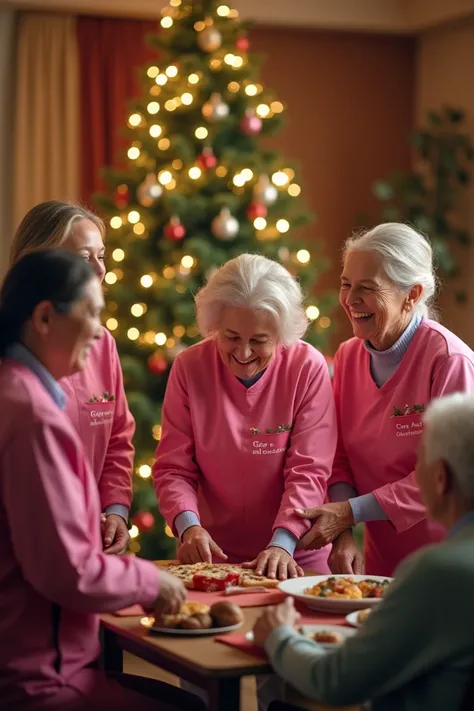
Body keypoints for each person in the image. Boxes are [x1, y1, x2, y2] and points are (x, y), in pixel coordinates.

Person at [0, 250, 204, 711]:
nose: (98, 329)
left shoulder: (13, 390)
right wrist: (149, 581)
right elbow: (67, 571)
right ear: (45, 318)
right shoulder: (32, 417)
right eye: (90, 313)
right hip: (37, 679)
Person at [254, 393, 474, 711]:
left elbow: (335, 682)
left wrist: (278, 636)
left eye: (418, 461)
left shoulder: (438, 572)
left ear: (440, 478)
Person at [297, 223, 474, 576]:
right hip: (381, 562)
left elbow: (450, 475)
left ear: (412, 294)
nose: (349, 300)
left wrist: (350, 512)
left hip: (450, 563)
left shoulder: (449, 361)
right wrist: (344, 533)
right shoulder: (348, 356)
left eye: (367, 288)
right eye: (346, 284)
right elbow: (340, 456)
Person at [153, 253, 337, 580]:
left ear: (281, 335)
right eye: (232, 337)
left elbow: (308, 470)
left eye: (259, 341)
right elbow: (173, 467)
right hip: (212, 555)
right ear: (214, 325)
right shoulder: (189, 367)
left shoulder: (307, 367)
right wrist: (189, 528)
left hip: (296, 555)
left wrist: (282, 543)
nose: (243, 353)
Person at [10, 201, 134, 555]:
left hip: (90, 547)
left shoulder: (102, 343)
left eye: (102, 256)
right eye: (84, 258)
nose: (99, 270)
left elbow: (118, 440)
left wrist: (116, 511)